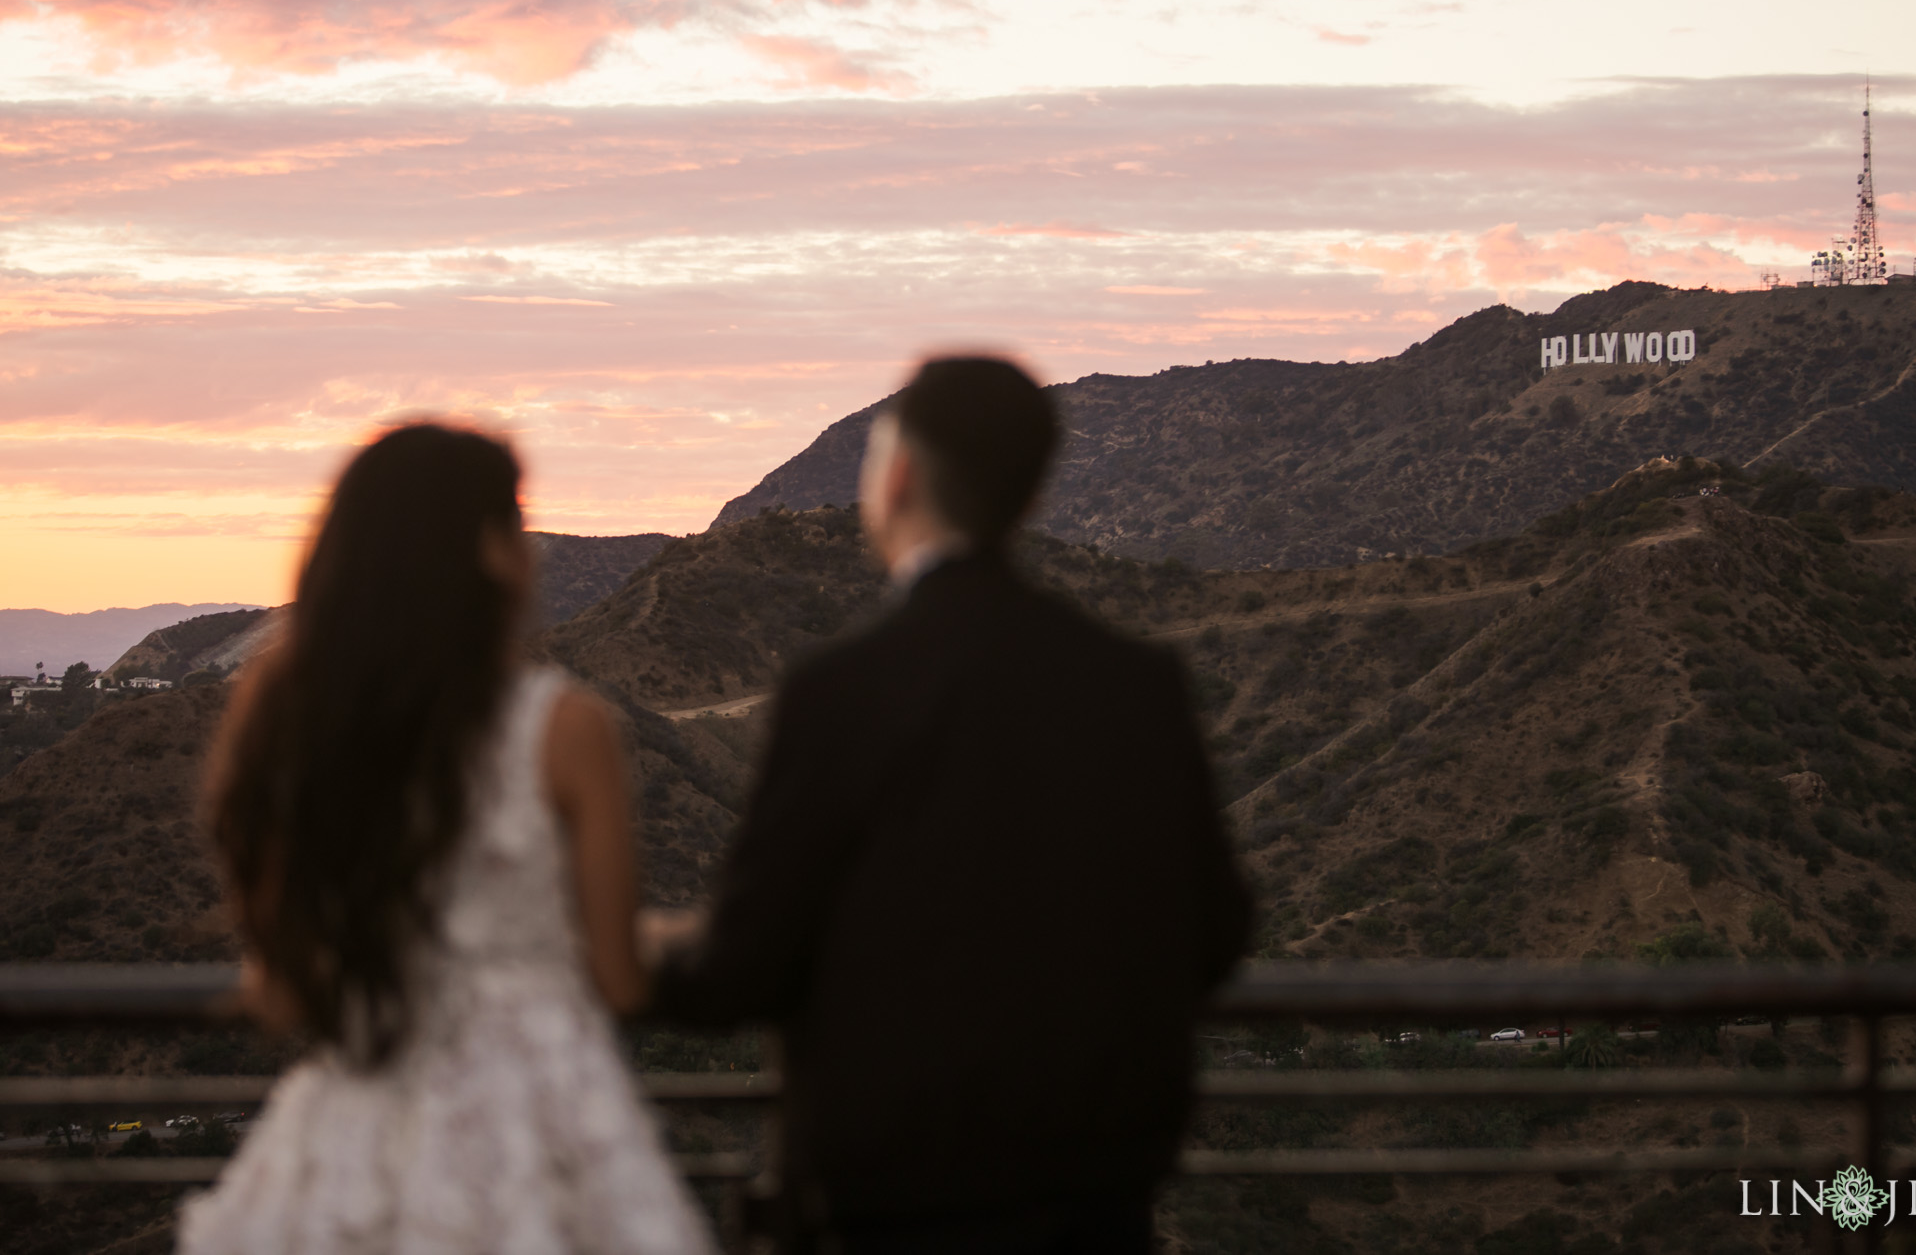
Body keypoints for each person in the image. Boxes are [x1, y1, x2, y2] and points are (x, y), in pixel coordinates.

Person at [651, 356, 1252, 1254]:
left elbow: (744, 968)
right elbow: (1216, 932)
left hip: (891, 1208)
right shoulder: (1138, 685)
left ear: (895, 479)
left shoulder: (838, 691)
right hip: (1097, 1204)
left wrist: (650, 946)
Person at [181, 423, 711, 1255]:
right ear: (489, 552)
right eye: (516, 522)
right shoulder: (564, 729)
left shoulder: (286, 723)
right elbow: (619, 977)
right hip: (538, 1133)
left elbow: (282, 993)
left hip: (354, 1129)